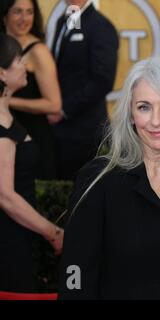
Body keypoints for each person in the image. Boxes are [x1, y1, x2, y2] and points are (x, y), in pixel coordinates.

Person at [58, 57, 160, 300]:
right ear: (130, 114)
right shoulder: (99, 180)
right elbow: (75, 272)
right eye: (144, 107)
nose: (156, 120)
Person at [0, 33, 63, 293]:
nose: (25, 66)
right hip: (9, 242)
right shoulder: (1, 129)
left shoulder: (6, 115)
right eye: (18, 61)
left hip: (19, 235)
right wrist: (54, 233)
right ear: (2, 73)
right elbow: (5, 196)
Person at [50, 0, 119, 180]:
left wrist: (64, 110)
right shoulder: (61, 22)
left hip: (85, 133)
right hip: (60, 131)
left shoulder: (101, 26)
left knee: (82, 192)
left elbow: (102, 81)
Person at [1, 0, 62, 180]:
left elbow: (54, 104)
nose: (24, 18)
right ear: (4, 16)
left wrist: (6, 100)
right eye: (17, 12)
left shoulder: (39, 51)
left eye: (29, 12)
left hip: (31, 138)